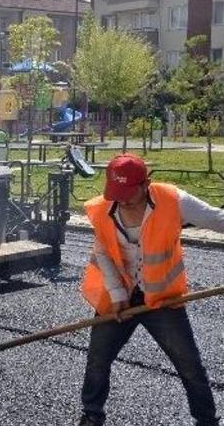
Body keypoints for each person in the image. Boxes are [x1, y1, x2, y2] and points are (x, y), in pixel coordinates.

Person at [77, 153, 222, 426]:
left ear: (145, 184)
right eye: (117, 193)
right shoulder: (103, 208)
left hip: (162, 300)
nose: (122, 200)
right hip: (119, 295)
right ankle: (91, 413)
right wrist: (118, 295)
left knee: (189, 364)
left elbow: (218, 219)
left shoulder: (173, 200)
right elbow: (103, 252)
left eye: (128, 194)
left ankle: (206, 420)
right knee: (97, 359)